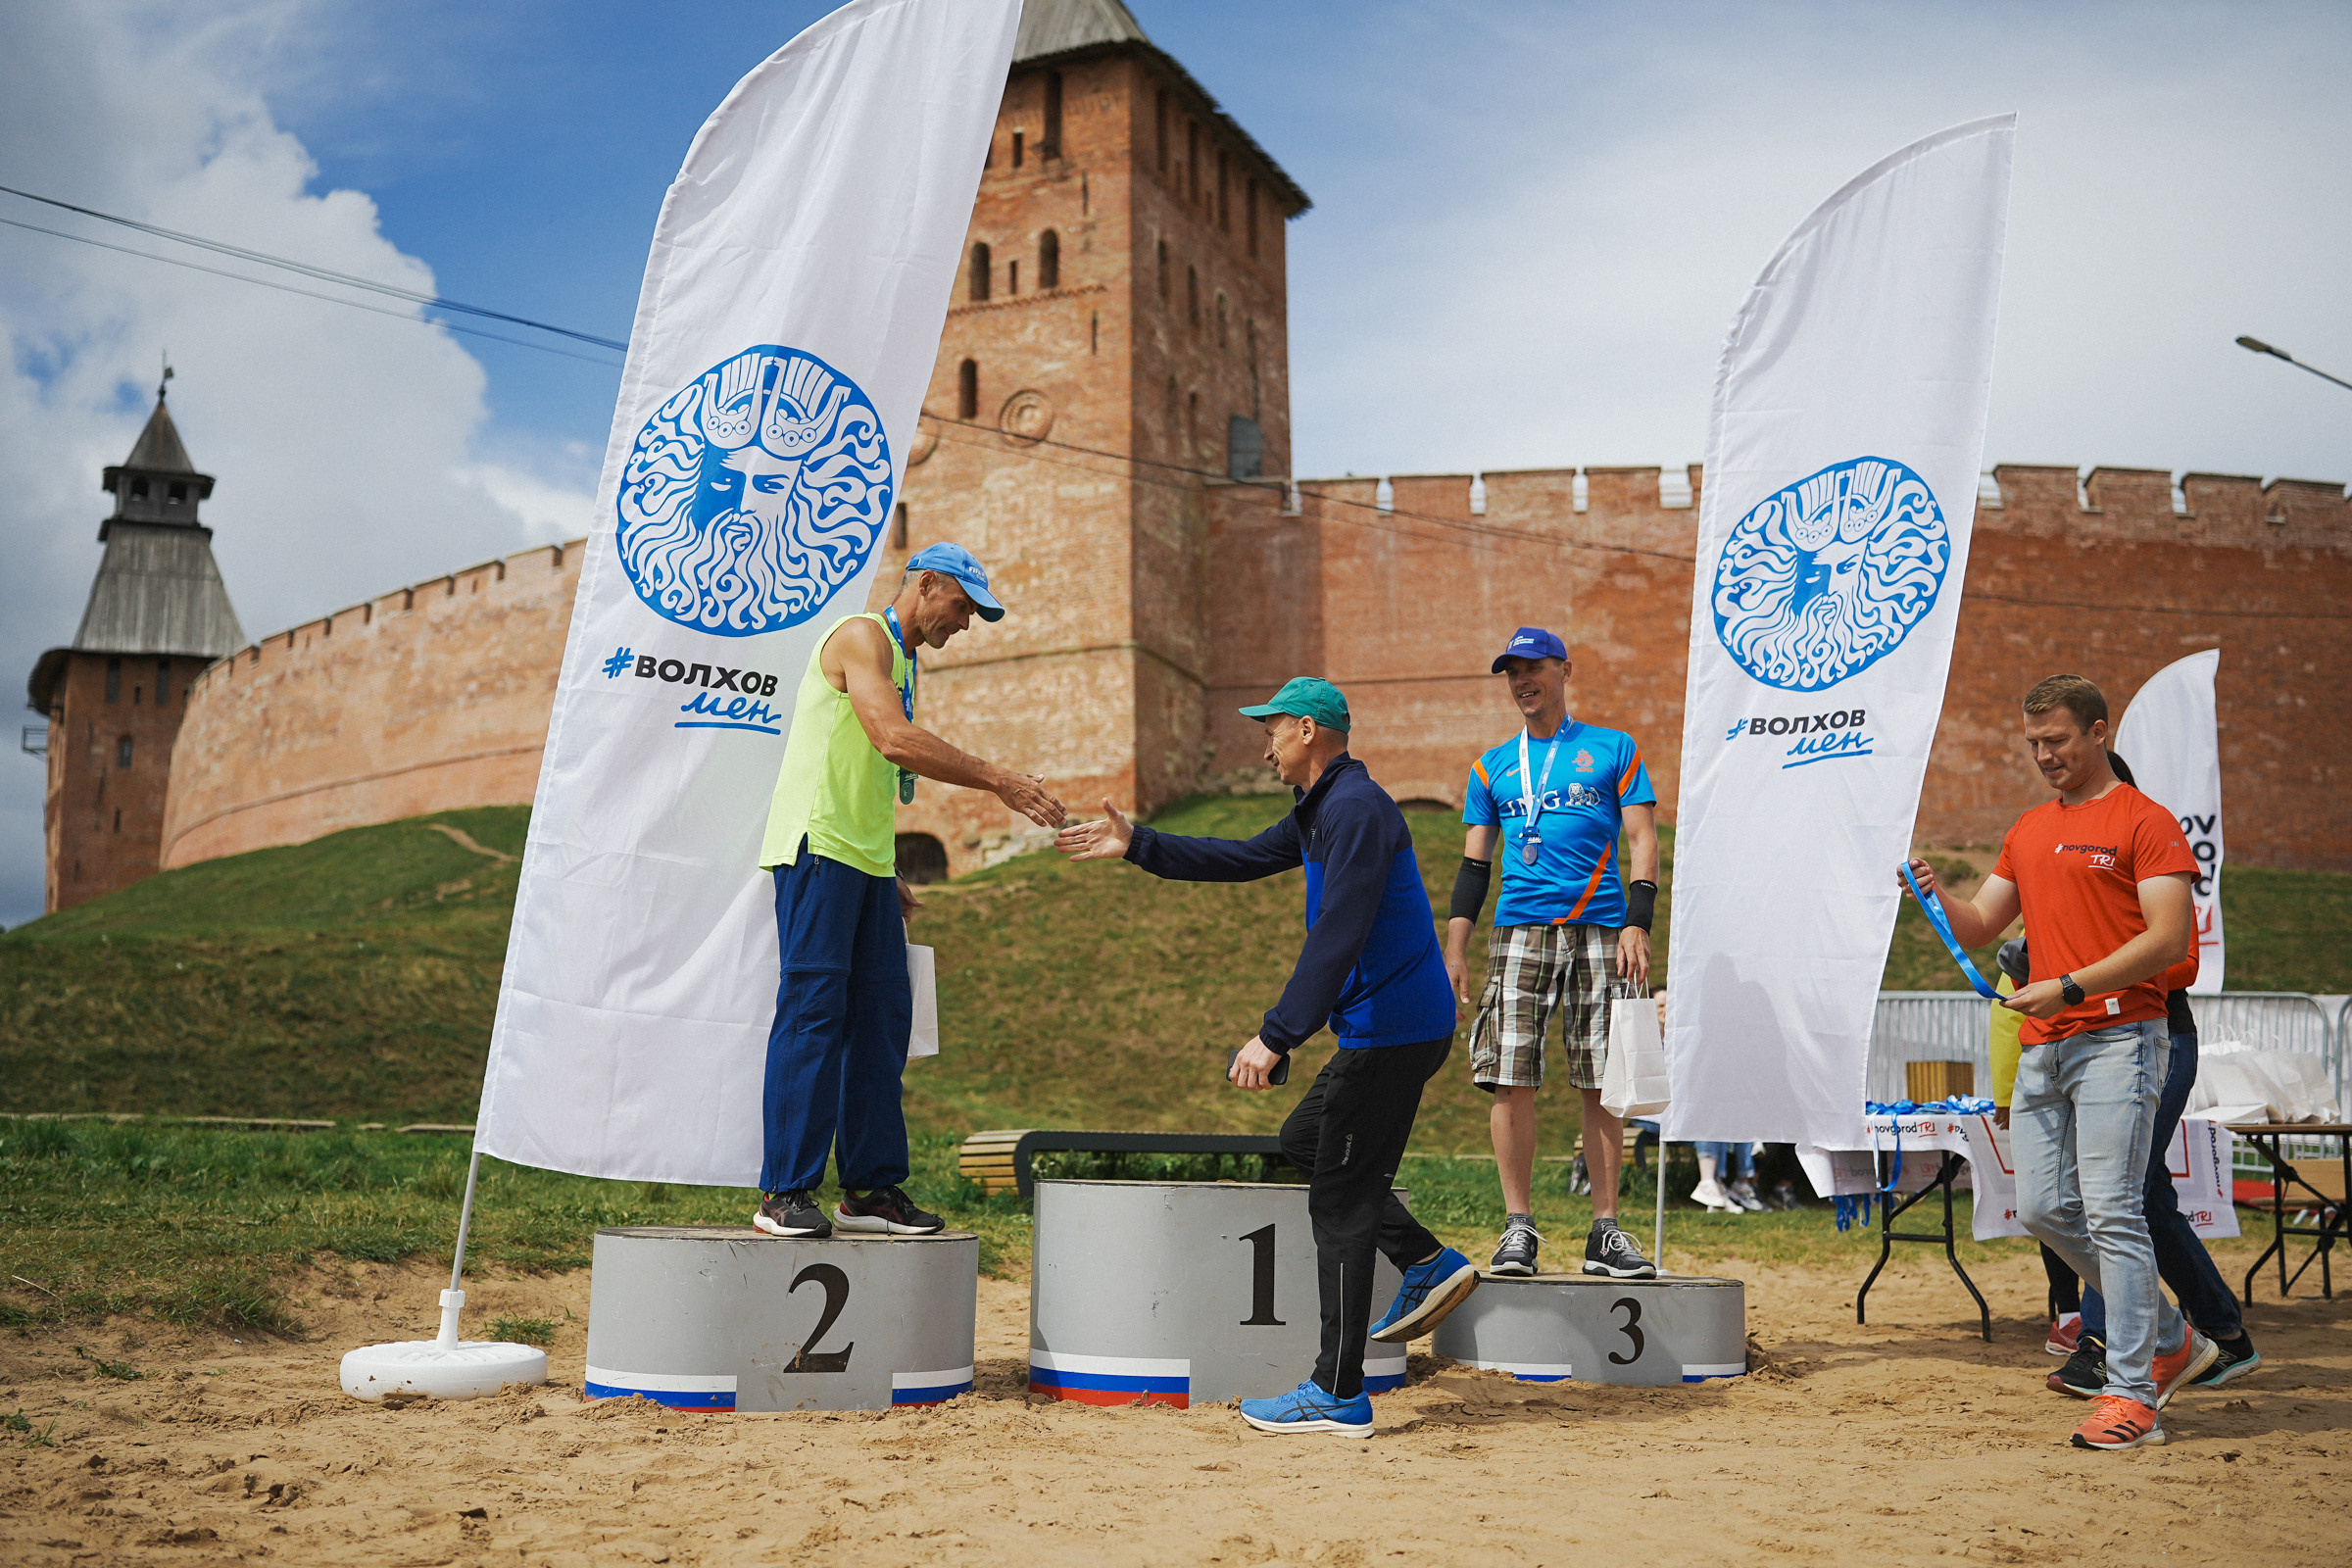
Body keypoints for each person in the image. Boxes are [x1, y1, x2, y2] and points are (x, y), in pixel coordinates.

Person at [1054, 677, 1476, 1438]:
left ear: (1310, 731)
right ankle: (1425, 1262)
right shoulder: (1325, 809)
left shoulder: (1355, 811)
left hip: (1393, 1031)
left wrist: (1278, 1034)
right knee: (1307, 1142)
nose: (1265, 744)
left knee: (1341, 1202)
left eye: (1274, 730)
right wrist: (1138, 844)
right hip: (1392, 1028)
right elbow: (1241, 858)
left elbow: (1338, 934)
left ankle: (1337, 1392)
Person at [1903, 674, 2217, 1450]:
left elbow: (2171, 941)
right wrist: (1933, 894)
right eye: (2035, 743)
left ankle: (2134, 1395)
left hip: (2121, 1036)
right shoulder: (2031, 828)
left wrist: (2071, 984)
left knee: (2114, 1208)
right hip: (2046, 1044)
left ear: (2100, 733)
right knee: (2043, 1209)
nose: (2044, 755)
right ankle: (2172, 1335)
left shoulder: (2147, 823)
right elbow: (1981, 923)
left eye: (2058, 741)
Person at [752, 543, 1066, 1240]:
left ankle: (868, 1190)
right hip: (817, 847)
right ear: (927, 585)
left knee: (883, 1022)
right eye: (963, 607)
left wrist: (886, 868)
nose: (968, 623)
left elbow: (865, 771)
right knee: (813, 1014)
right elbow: (891, 740)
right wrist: (1000, 780)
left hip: (863, 858)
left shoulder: (907, 657)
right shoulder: (860, 635)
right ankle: (783, 1192)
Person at [1992, 755, 2263, 1395]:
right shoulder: (2059, 859)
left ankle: (2104, 1342)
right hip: (2083, 1042)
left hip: (2157, 1037)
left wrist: (2085, 973)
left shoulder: (2145, 841)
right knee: (2143, 1197)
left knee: (2113, 1191)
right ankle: (2223, 1336)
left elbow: (2183, 960)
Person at [1445, 626, 1659, 1279]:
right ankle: (1518, 1229)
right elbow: (1473, 866)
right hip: (1520, 932)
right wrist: (1455, 951)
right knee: (1510, 1077)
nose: (1522, 681)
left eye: (1533, 667)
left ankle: (1605, 1230)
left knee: (1602, 1080)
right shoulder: (1492, 765)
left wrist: (1638, 921)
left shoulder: (1614, 749)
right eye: (1511, 671)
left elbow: (1643, 840)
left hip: (1600, 931)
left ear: (1565, 669)